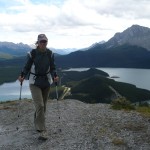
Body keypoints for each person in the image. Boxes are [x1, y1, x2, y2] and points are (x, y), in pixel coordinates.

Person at [18, 34, 58, 140]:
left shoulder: (50, 53)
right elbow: (26, 67)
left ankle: (37, 123)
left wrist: (55, 75)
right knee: (40, 105)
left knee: (43, 106)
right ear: (38, 42)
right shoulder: (32, 53)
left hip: (46, 82)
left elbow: (53, 67)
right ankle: (41, 130)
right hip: (34, 82)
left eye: (45, 41)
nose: (43, 43)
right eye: (41, 42)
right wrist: (22, 75)